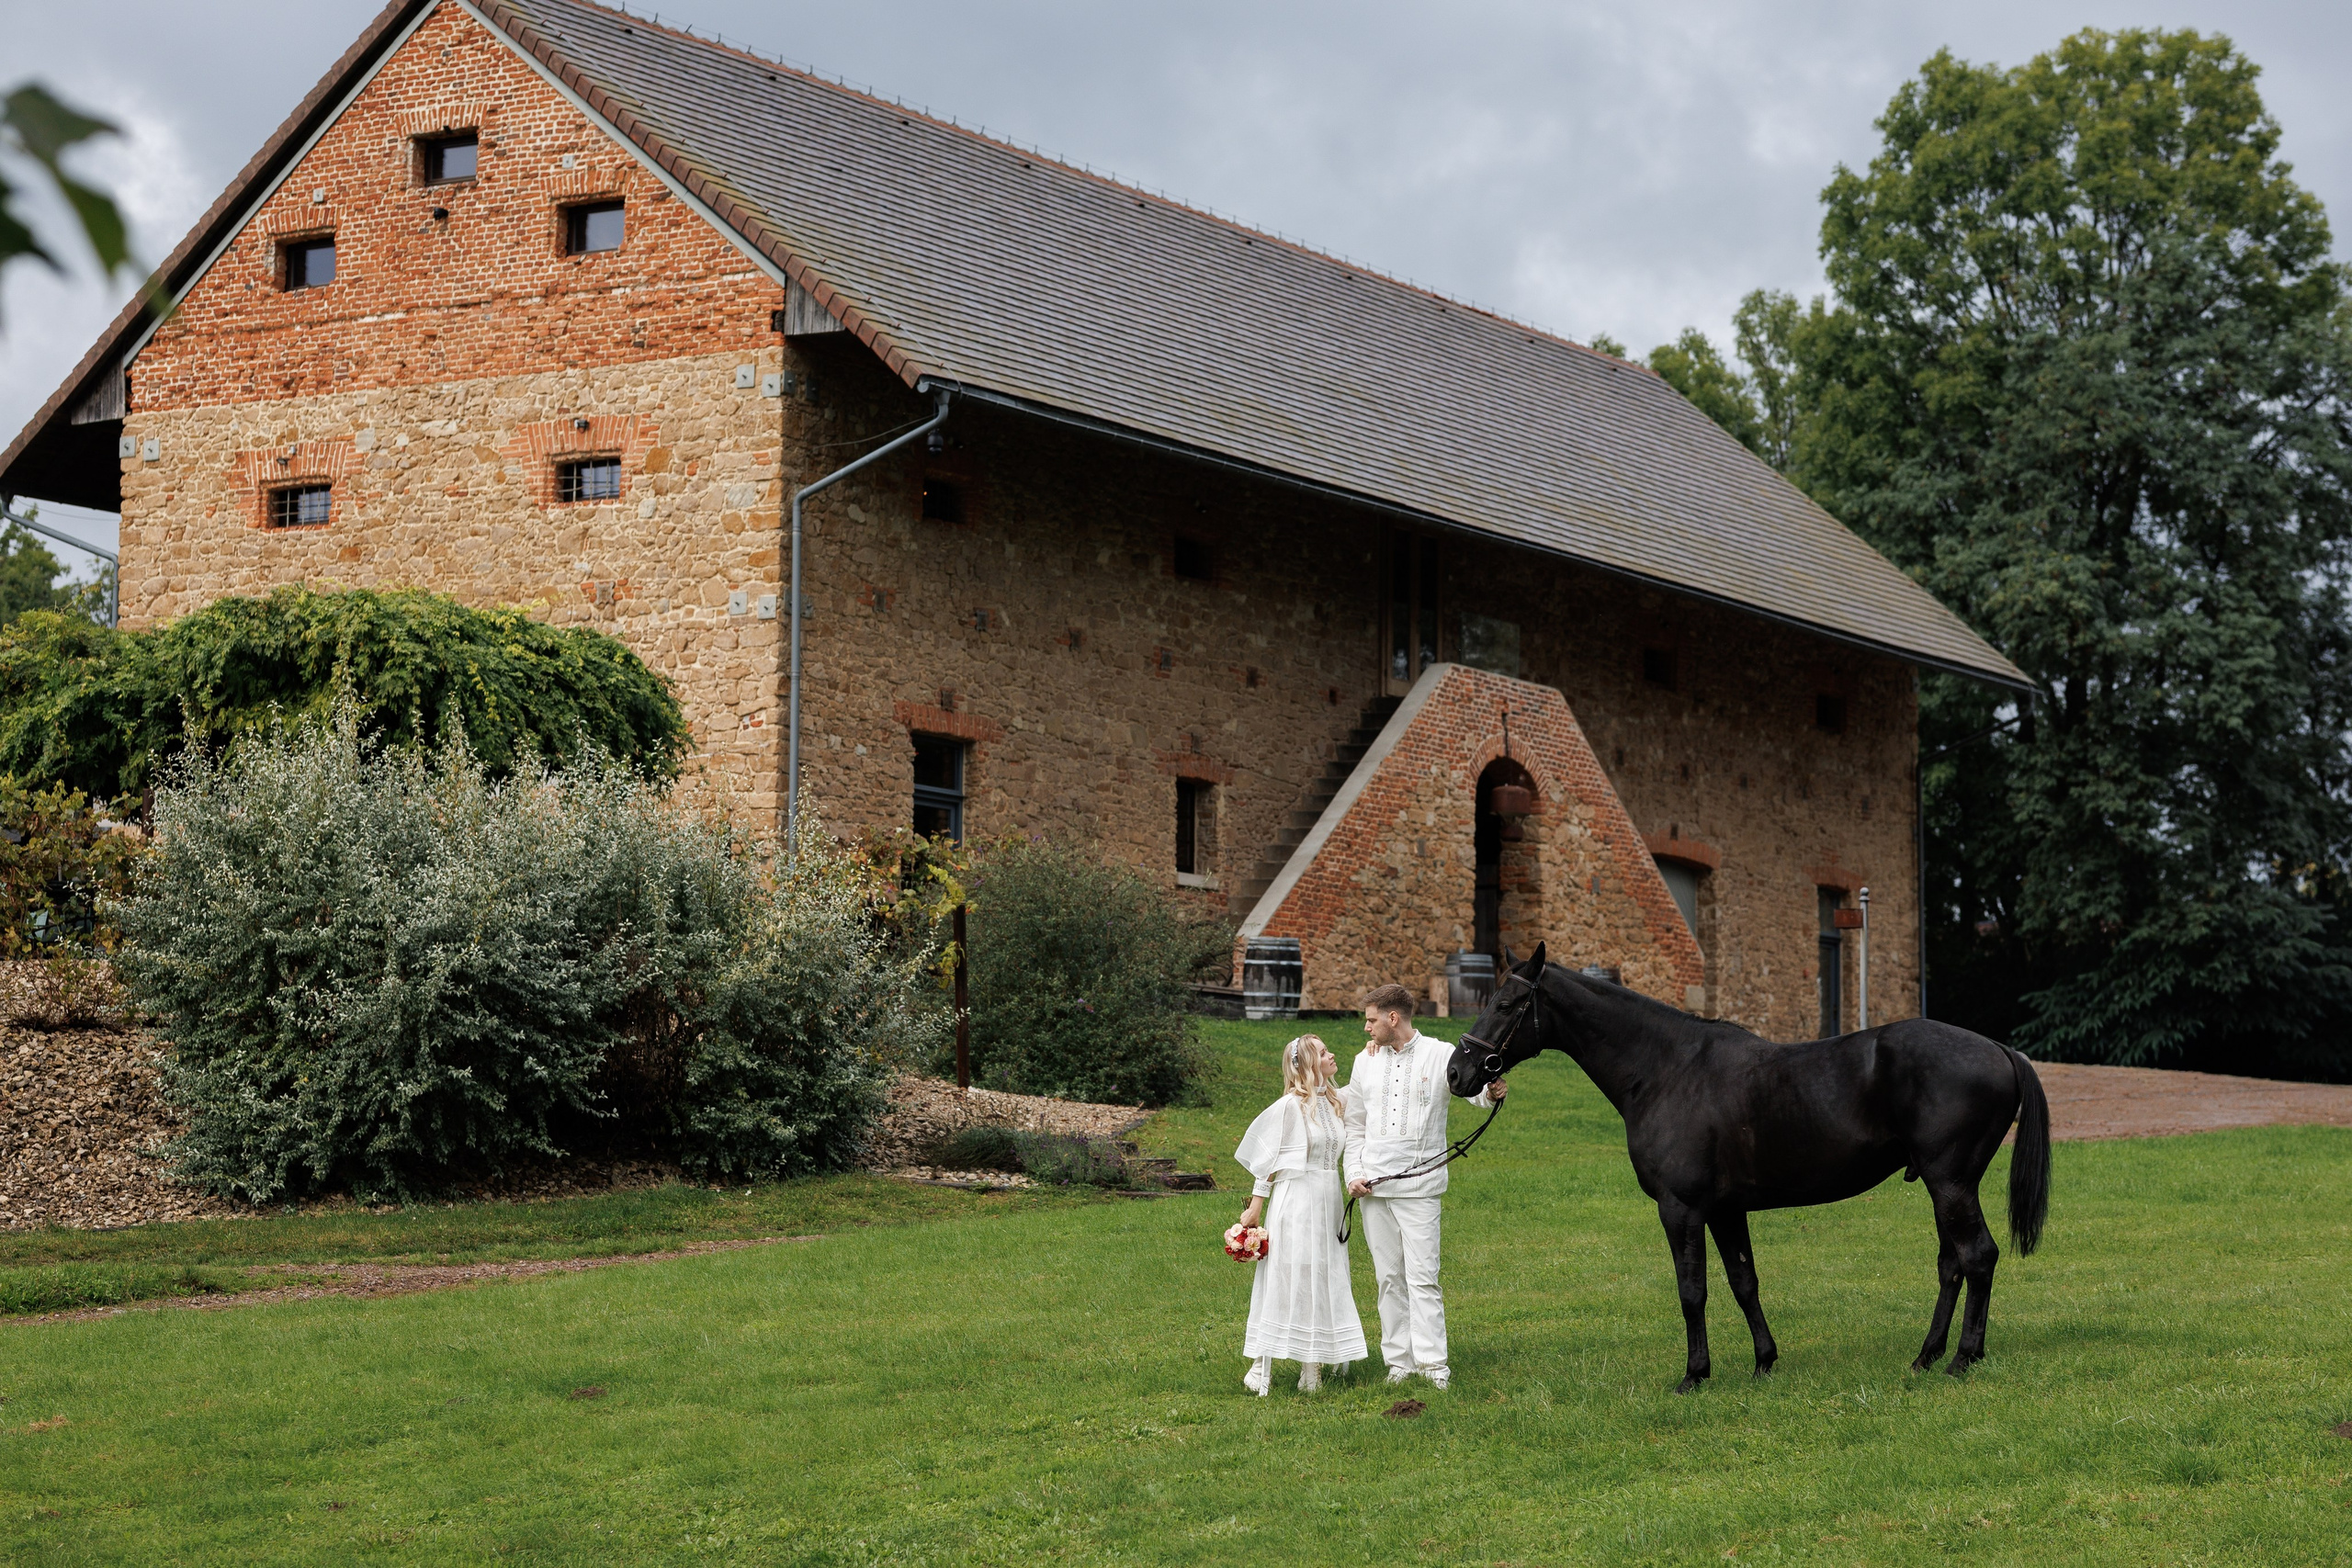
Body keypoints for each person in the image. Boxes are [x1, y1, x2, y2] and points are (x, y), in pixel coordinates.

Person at [1343, 982, 1506, 1391]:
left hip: (1421, 1187)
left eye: (1371, 1019)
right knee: (1388, 1279)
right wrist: (1353, 1173)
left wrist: (1491, 1092)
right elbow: (1355, 1125)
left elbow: (1473, 1094)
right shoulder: (1364, 1063)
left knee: (1423, 1278)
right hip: (1374, 1189)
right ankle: (1399, 1362)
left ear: (1392, 1018)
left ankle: (1434, 1367)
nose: (1367, 1028)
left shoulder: (1439, 1053)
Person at [1231, 1033, 1368, 1395]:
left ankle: (1312, 1368)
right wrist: (1256, 1207)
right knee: (1288, 1274)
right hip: (1296, 1199)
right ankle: (1261, 1366)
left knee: (1321, 1274)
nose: (1331, 1054)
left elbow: (1365, 1085)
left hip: (1328, 1199)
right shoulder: (1291, 1106)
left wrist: (1374, 1051)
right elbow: (1268, 1160)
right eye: (1324, 1053)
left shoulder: (1336, 1101)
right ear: (1309, 1064)